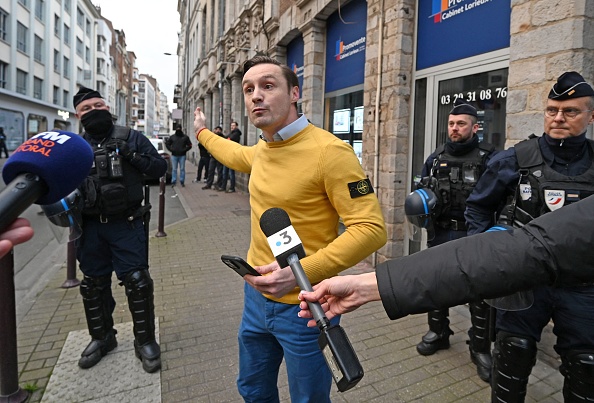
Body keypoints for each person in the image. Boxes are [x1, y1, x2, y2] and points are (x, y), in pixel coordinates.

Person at [193, 55, 386, 402]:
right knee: (252, 389)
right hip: (254, 299)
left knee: (309, 398)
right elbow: (232, 153)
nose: (256, 96)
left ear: (294, 92)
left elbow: (371, 229)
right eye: (249, 89)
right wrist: (202, 132)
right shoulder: (263, 150)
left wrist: (299, 272)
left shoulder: (330, 152)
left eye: (268, 86)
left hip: (305, 307)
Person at [464, 71, 594, 402]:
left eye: (571, 111)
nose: (559, 118)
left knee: (586, 366)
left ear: (591, 115)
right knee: (512, 353)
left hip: (582, 284)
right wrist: (488, 255)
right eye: (552, 110)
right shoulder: (516, 159)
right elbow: (478, 208)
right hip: (525, 279)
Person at [297, 191, 594, 320]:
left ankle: (478, 348)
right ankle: (438, 332)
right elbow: (526, 250)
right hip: (461, 242)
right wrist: (366, 287)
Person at [73, 86, 167, 373]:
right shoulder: (74, 146)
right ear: (78, 116)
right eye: (86, 109)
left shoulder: (131, 137)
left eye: (98, 105)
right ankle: (102, 338)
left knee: (138, 281)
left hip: (126, 224)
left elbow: (159, 168)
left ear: (108, 106)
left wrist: (130, 155)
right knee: (93, 284)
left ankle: (145, 341)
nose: (94, 111)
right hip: (90, 228)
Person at [413, 100, 496, 382]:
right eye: (451, 124)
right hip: (441, 232)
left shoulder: (490, 158)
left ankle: (480, 346)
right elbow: (421, 193)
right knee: (437, 284)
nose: (455, 129)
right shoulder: (435, 159)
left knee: (478, 292)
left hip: (475, 234)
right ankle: (439, 332)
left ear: (475, 127)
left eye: (461, 124)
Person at [219, 121, 241, 192]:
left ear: (236, 126)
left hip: (232, 154)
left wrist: (227, 139)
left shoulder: (236, 133)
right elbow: (226, 138)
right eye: (231, 125)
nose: (232, 127)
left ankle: (232, 188)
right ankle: (223, 186)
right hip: (228, 154)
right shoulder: (231, 133)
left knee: (231, 173)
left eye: (233, 125)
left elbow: (228, 140)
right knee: (225, 172)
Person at [201, 126, 225, 190]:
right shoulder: (213, 137)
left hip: (219, 156)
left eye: (218, 130)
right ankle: (209, 184)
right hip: (213, 156)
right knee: (211, 170)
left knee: (219, 171)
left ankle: (219, 184)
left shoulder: (222, 137)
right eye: (216, 129)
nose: (217, 131)